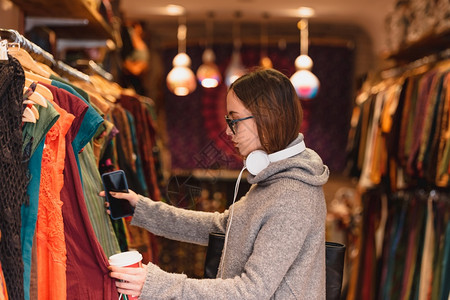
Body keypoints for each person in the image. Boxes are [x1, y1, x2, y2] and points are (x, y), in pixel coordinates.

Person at [100, 68, 330, 299]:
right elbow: (223, 227)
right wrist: (142, 208)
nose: (229, 132)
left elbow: (250, 292)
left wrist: (156, 284)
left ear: (266, 117)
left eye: (235, 120)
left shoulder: (292, 197)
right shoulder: (275, 181)